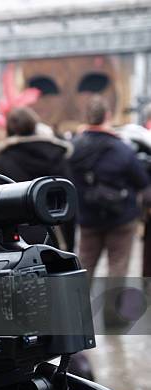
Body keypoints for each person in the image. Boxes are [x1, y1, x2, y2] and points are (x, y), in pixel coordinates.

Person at [69, 96, 149, 277]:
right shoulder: (122, 148)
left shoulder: (75, 147)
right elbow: (142, 181)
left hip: (87, 216)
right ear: (108, 115)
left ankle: (78, 304)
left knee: (85, 265)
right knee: (118, 268)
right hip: (121, 216)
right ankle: (112, 305)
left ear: (87, 116)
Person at [0, 107, 74, 248]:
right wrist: (69, 242)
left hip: (17, 234)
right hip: (53, 230)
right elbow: (68, 197)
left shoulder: (2, 157)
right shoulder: (55, 153)